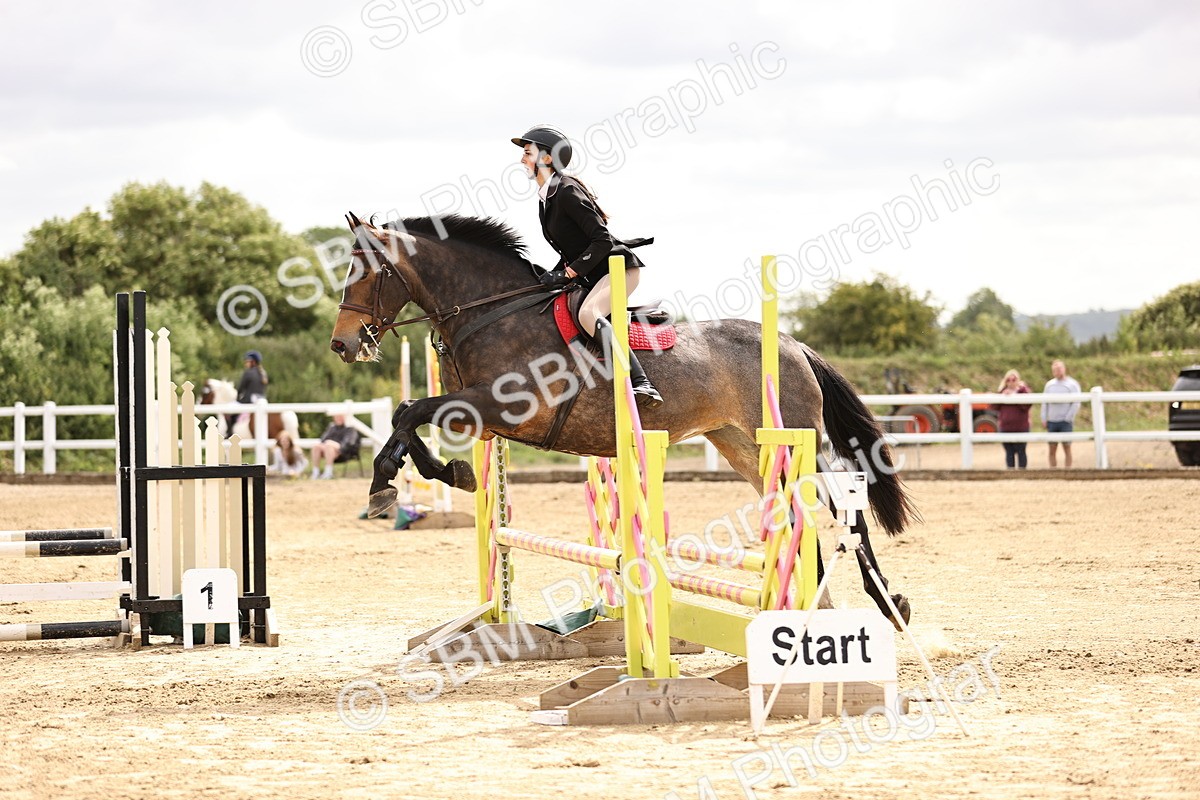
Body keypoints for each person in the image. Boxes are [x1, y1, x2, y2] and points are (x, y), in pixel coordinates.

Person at [511, 125, 663, 409]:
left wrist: (568, 273)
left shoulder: (566, 190)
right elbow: (570, 248)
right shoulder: (547, 197)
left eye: (528, 153)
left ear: (546, 158)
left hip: (617, 269)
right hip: (593, 273)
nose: (522, 159)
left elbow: (601, 239)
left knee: (588, 313)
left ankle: (641, 382)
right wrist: (548, 276)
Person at [1041, 359, 1081, 468]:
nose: (1057, 371)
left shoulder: (1072, 384)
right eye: (1055, 370)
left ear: (1064, 369)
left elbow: (1076, 402)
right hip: (1052, 421)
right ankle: (1053, 470)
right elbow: (1044, 402)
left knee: (1067, 447)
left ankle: (1068, 470)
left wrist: (1068, 417)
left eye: (1059, 369)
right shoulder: (1049, 385)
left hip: (1065, 421)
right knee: (1052, 448)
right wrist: (1044, 418)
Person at [995, 370, 1031, 469]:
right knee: (1009, 453)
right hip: (1005, 427)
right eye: (1008, 380)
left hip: (1021, 427)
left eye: (1014, 379)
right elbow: (994, 407)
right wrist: (1001, 395)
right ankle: (1010, 473)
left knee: (1021, 451)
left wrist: (1015, 395)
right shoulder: (1002, 392)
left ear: (1018, 380)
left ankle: (1022, 473)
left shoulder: (1023, 391)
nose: (1011, 382)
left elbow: (1026, 406)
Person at [310, 413, 360, 480]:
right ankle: (315, 472)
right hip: (328, 451)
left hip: (344, 453)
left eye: (340, 416)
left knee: (329, 445)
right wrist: (329, 444)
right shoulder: (332, 428)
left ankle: (328, 473)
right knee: (316, 447)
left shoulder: (350, 429)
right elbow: (323, 440)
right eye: (337, 417)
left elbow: (349, 444)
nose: (339, 418)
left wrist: (333, 444)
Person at [230, 351, 268, 434]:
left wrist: (237, 399)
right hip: (262, 400)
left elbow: (241, 389)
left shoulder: (248, 373)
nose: (245, 364)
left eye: (247, 361)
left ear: (253, 362)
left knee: (228, 410)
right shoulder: (263, 373)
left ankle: (229, 432)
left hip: (249, 401)